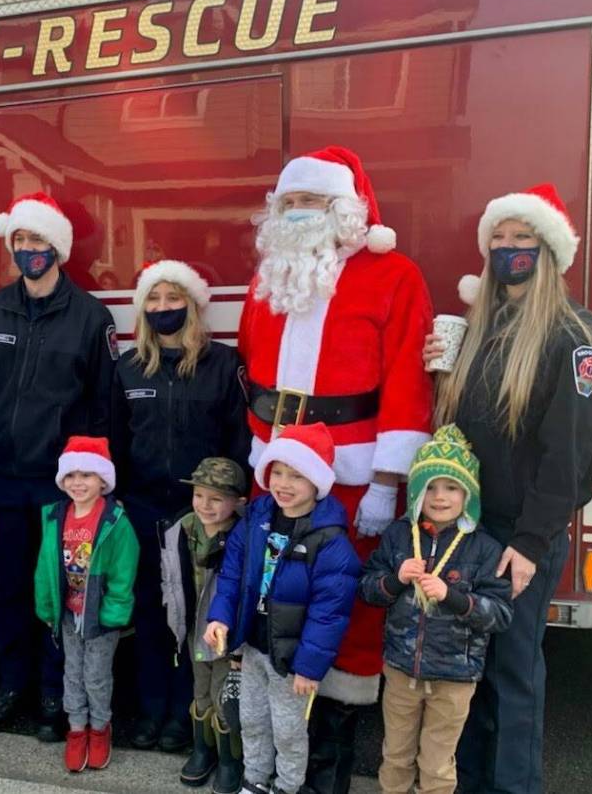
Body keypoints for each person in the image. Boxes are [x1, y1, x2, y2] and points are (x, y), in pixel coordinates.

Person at [237, 146, 433, 792]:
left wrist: (385, 482)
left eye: (312, 202)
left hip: (353, 472)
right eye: (290, 202)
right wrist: (257, 453)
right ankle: (276, 752)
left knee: (345, 608)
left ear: (344, 209)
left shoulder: (394, 275)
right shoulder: (270, 278)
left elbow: (407, 381)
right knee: (277, 597)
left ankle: (330, 764)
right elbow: (253, 373)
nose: (298, 213)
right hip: (279, 469)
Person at [424, 183, 592, 794]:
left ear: (547, 249)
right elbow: (463, 431)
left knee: (514, 674)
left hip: (520, 537)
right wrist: (441, 374)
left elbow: (568, 456)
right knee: (471, 670)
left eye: (521, 237)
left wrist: (530, 543)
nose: (509, 249)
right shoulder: (483, 327)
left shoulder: (575, 336)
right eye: (498, 239)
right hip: (474, 530)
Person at [0, 192, 117, 741]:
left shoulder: (91, 317)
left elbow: (102, 408)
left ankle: (56, 694)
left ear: (56, 246)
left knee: (60, 592)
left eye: (37, 239)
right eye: (20, 240)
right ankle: (12, 687)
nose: (28, 249)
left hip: (62, 488)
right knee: (6, 589)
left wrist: (95, 484)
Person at [112, 259, 251, 751]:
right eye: (153, 299)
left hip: (204, 517)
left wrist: (229, 511)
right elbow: (115, 442)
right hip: (143, 511)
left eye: (173, 298)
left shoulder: (223, 365)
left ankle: (186, 714)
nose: (163, 307)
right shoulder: (127, 368)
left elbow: (239, 443)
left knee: (196, 616)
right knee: (152, 613)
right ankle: (152, 710)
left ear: (192, 305)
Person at [203, 423, 361, 794]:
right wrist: (220, 617)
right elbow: (232, 574)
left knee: (289, 730)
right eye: (278, 472)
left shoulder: (330, 539)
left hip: (291, 659)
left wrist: (309, 666)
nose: (284, 484)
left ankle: (288, 786)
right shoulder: (256, 519)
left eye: (297, 475)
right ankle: (255, 779)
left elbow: (330, 611)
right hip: (253, 646)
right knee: (252, 719)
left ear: (317, 482)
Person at [360, 425, 513, 794]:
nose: (439, 497)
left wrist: (452, 596)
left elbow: (500, 614)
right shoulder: (399, 535)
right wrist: (395, 580)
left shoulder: (485, 548)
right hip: (401, 671)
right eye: (429, 487)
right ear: (416, 490)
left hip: (454, 679)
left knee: (437, 764)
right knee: (395, 756)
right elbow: (367, 589)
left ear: (468, 494)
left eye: (451, 487)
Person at [33, 436, 139, 772]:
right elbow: (45, 566)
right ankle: (76, 728)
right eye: (71, 475)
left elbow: (124, 571)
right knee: (72, 674)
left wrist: (113, 613)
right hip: (68, 613)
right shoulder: (55, 516)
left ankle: (99, 728)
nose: (78, 483)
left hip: (99, 617)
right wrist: (47, 607)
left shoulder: (114, 522)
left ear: (103, 480)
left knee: (95, 676)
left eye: (87, 475)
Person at [159, 457, 248, 793]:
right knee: (201, 691)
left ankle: (229, 760)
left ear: (238, 502)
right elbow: (170, 579)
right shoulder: (180, 529)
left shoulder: (243, 537)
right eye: (199, 495)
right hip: (193, 630)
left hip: (226, 636)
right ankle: (202, 750)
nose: (205, 505)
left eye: (216, 498)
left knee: (225, 697)